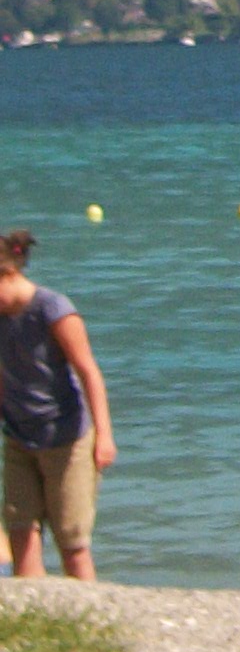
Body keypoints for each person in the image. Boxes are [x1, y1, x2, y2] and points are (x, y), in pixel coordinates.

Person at [0, 229, 111, 582]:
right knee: (20, 532)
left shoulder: (53, 309)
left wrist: (104, 436)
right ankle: (32, 610)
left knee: (72, 542)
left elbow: (88, 371)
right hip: (19, 437)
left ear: (8, 274)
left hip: (67, 439)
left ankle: (88, 611)